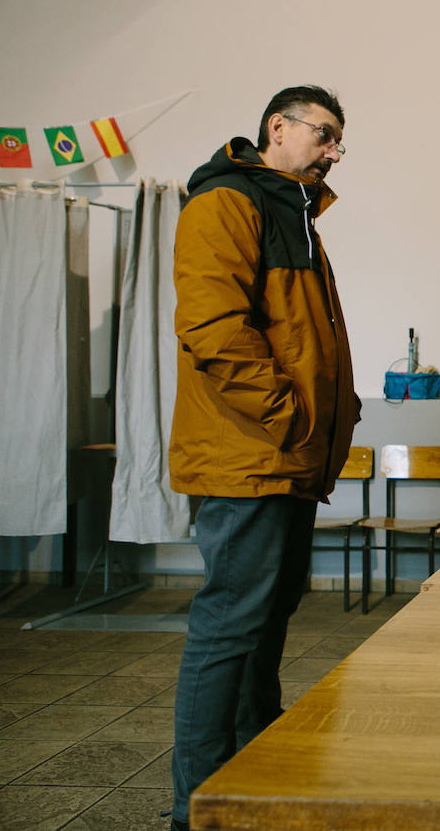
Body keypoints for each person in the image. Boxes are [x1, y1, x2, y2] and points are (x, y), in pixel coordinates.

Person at [167, 86, 360, 831]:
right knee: (227, 629)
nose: (336, 152)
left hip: (286, 456)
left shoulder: (293, 214)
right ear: (278, 128)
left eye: (341, 141)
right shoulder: (225, 204)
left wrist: (314, 426)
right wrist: (288, 415)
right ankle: (199, 805)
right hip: (251, 452)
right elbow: (215, 329)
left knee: (264, 622)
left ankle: (251, 778)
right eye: (326, 135)